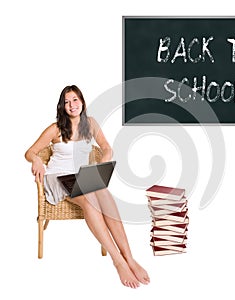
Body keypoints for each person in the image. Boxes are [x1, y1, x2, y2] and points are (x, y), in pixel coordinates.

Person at [25, 85, 150, 289]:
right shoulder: (55, 128)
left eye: (75, 100)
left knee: (105, 195)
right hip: (58, 178)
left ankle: (130, 258)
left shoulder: (90, 124)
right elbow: (30, 151)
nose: (71, 105)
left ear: (82, 102)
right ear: (62, 106)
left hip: (82, 176)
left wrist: (104, 161)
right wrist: (37, 161)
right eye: (67, 102)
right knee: (90, 202)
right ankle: (118, 261)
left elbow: (107, 148)